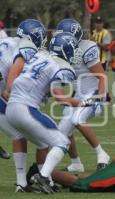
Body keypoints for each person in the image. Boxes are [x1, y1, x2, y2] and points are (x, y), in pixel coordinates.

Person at [5, 32, 89, 194]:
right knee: (63, 142)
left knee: (43, 143)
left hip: (11, 107)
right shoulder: (62, 66)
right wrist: (80, 102)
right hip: (25, 108)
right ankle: (42, 176)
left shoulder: (40, 55)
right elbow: (58, 96)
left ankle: (44, 181)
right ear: (67, 50)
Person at [55, 18, 110, 172]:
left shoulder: (86, 48)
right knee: (62, 132)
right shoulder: (62, 50)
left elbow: (102, 76)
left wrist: (101, 98)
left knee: (77, 119)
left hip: (93, 93)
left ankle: (102, 154)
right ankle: (76, 164)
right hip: (78, 94)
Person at [0, 19, 48, 192]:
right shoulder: (22, 51)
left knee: (20, 133)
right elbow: (9, 89)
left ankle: (23, 182)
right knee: (22, 133)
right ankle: (23, 182)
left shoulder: (9, 41)